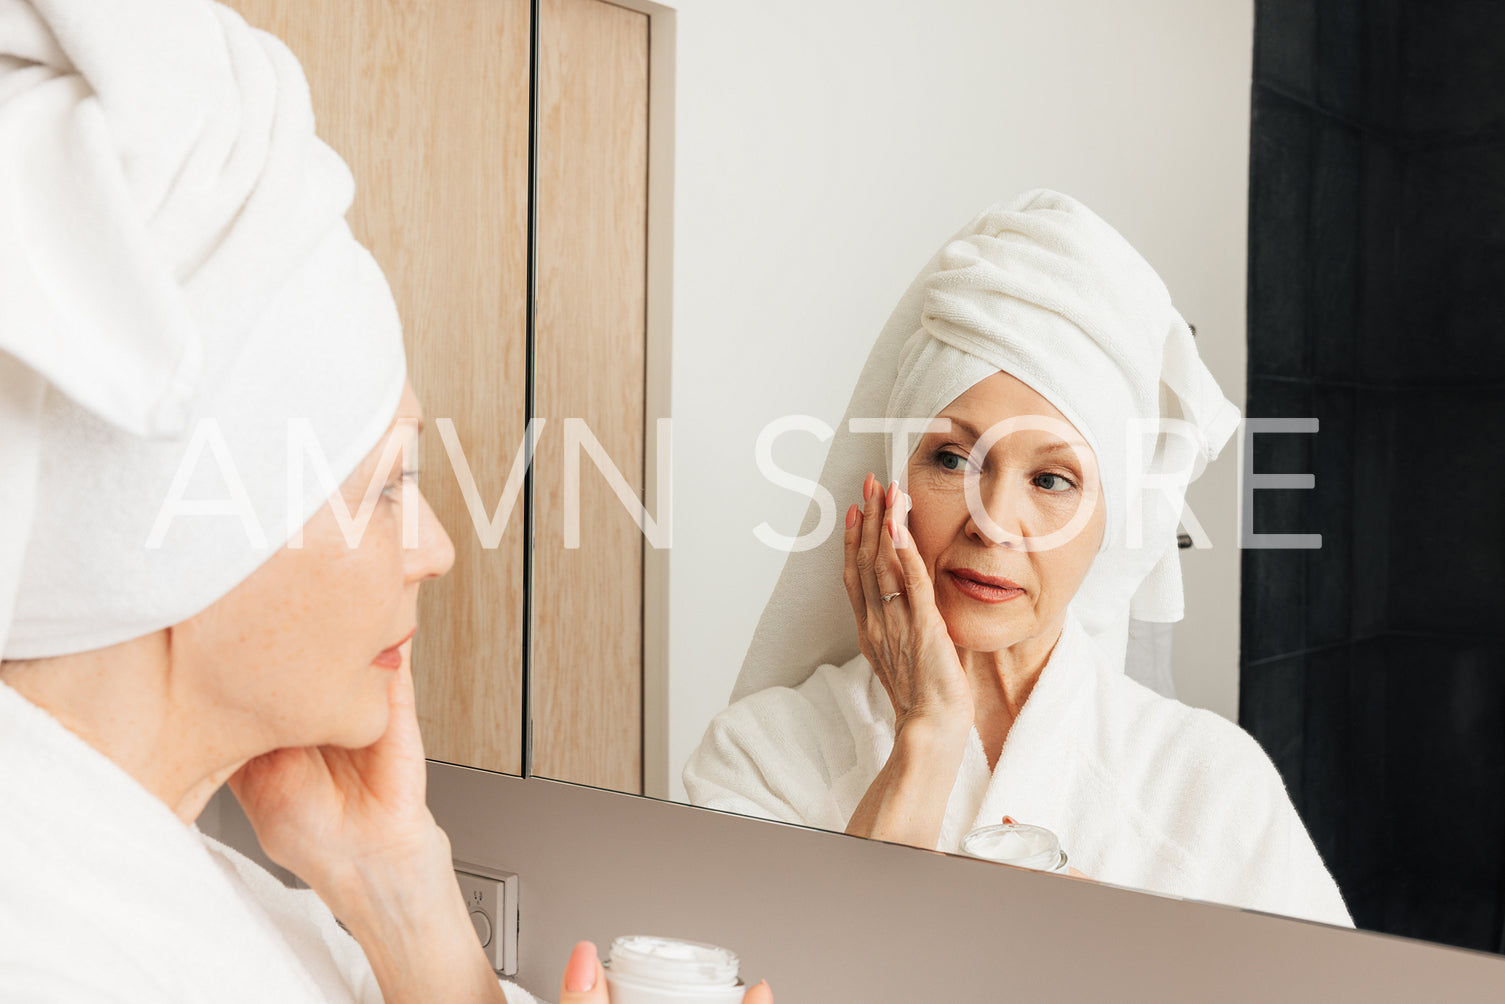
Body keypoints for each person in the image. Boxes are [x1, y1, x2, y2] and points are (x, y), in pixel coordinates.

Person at [0, 2, 774, 1001]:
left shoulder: (195, 891)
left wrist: (397, 882)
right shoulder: (46, 952)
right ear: (187, 532)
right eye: (390, 484)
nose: (438, 548)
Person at [684, 190, 1353, 929]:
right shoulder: (765, 752)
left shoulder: (1207, 786)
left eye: (1051, 480)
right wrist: (928, 734)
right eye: (950, 457)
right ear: (892, 476)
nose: (994, 524)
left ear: (1111, 521)